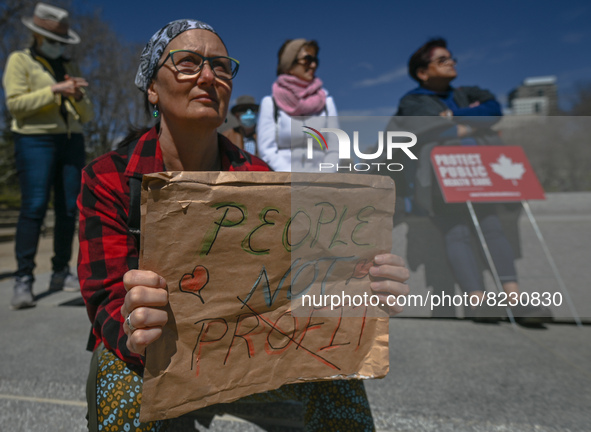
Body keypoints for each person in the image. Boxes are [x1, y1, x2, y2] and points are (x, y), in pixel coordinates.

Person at [77, 19, 410, 431]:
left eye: (220, 66)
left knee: (340, 375)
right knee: (122, 387)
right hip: (150, 354)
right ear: (151, 88)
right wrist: (133, 322)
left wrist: (366, 280)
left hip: (247, 347)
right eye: (187, 63)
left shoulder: (259, 177)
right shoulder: (109, 177)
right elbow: (104, 294)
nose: (207, 76)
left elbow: (307, 266)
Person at [392, 38, 551, 324]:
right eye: (442, 60)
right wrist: (471, 126)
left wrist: (455, 117)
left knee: (492, 227)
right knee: (457, 232)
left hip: (483, 172)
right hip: (441, 177)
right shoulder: (412, 101)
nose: (451, 62)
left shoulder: (466, 92)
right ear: (422, 72)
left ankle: (514, 300)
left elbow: (493, 110)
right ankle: (478, 301)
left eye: (451, 58)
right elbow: (425, 129)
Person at [2, 2, 93, 310]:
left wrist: (78, 97)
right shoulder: (20, 60)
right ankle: (23, 278)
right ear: (38, 36)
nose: (58, 46)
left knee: (69, 208)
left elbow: (87, 115)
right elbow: (16, 104)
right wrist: (55, 90)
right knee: (35, 205)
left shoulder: (66, 69)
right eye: (54, 40)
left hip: (70, 142)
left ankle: (59, 271)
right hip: (34, 140)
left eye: (62, 42)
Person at [257, 39, 339, 172]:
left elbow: (335, 147)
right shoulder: (270, 103)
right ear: (289, 65)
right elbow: (267, 151)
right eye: (307, 59)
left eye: (315, 60)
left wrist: (322, 178)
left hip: (322, 184)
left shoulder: (326, 101)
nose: (313, 65)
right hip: (283, 184)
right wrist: (293, 179)